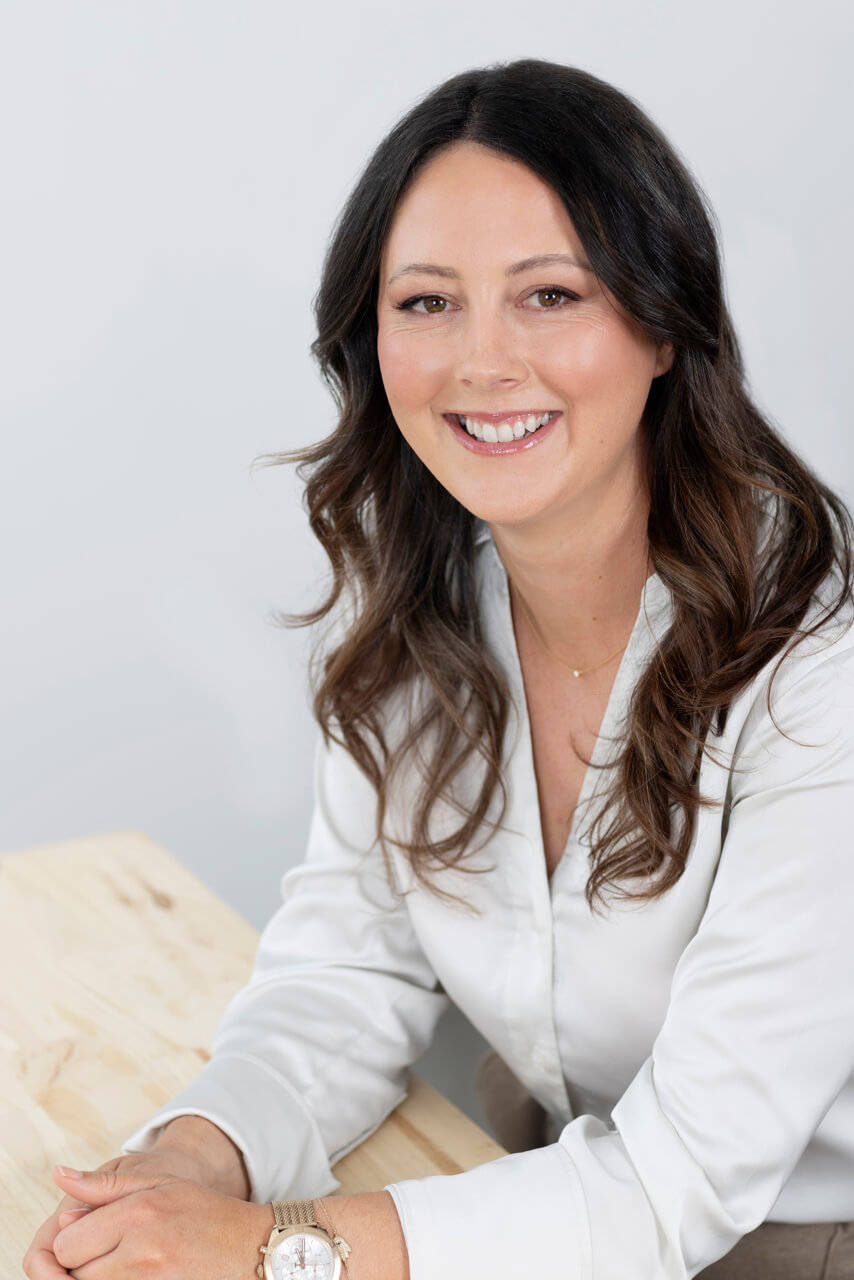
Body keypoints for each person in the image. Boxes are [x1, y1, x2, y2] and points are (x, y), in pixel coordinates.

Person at [24, 58, 854, 1280]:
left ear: (664, 323)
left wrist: (269, 1248)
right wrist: (195, 1159)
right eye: (425, 303)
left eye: (549, 294)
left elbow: (681, 1180)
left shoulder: (817, 670)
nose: (481, 360)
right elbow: (347, 972)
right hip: (527, 1187)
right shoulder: (414, 612)